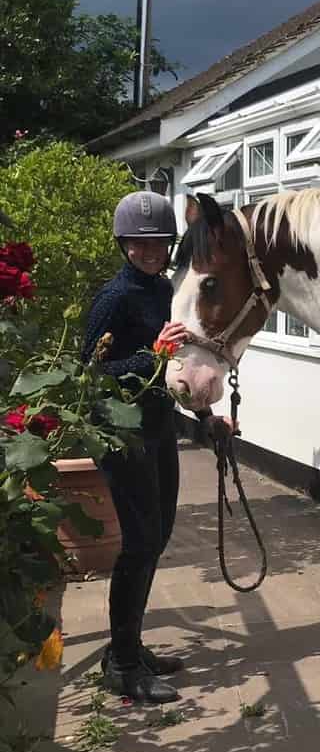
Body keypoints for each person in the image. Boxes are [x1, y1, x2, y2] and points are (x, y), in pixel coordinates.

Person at [82, 191, 231, 703]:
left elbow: (177, 366)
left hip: (159, 427)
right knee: (140, 542)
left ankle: (128, 647)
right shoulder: (115, 297)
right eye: (138, 243)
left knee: (158, 535)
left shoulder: (166, 289)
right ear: (122, 244)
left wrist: (208, 417)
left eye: (158, 242)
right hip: (120, 433)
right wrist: (152, 355)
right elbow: (90, 372)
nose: (149, 251)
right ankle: (122, 665)